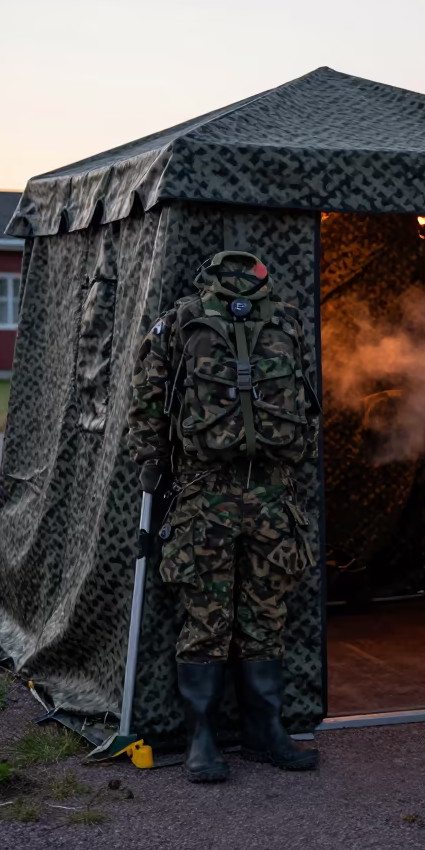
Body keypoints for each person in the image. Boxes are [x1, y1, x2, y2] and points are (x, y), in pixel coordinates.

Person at [127, 250, 321, 782]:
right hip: (204, 490)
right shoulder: (182, 323)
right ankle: (202, 738)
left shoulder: (284, 320)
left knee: (265, 616)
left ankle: (266, 733)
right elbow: (149, 400)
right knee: (207, 619)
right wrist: (150, 464)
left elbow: (303, 399)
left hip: (268, 491)